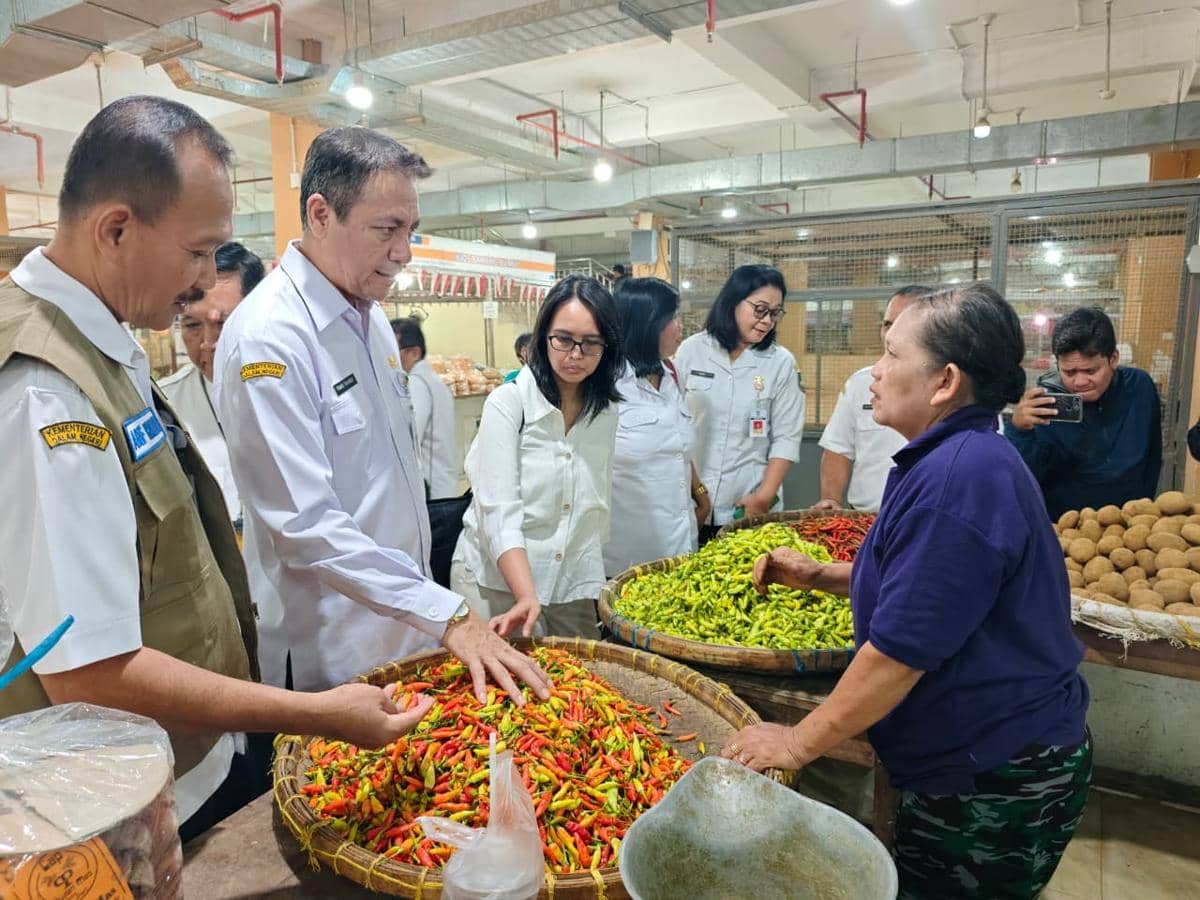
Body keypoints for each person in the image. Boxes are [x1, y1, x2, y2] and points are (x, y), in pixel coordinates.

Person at [0, 96, 443, 842]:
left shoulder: (105, 340)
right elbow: (87, 671)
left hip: (184, 759)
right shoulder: (48, 393)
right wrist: (313, 712)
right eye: (199, 252)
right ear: (115, 229)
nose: (207, 281)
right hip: (114, 797)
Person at [723, 283, 1091, 900]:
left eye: (892, 354)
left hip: (993, 774)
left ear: (945, 382)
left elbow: (899, 654)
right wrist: (818, 575)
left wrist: (795, 741)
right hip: (983, 756)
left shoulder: (957, 481)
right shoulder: (958, 457)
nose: (875, 370)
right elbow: (927, 588)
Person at [212, 127, 550, 702]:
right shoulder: (270, 337)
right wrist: (446, 613)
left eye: (410, 230)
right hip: (331, 655)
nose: (404, 252)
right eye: (387, 229)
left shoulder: (369, 321)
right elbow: (304, 525)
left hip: (405, 631)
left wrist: (430, 611)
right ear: (321, 215)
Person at [452, 275, 622, 637]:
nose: (575, 354)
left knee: (581, 671)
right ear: (543, 336)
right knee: (499, 672)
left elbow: (593, 504)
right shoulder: (509, 403)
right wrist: (527, 594)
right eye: (563, 339)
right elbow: (498, 510)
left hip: (570, 583)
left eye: (591, 343)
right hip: (495, 584)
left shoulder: (605, 412)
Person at [674, 264, 805, 538]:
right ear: (733, 301)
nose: (767, 321)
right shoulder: (692, 351)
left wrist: (763, 496)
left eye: (775, 313)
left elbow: (787, 437)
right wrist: (696, 491)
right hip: (691, 500)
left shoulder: (780, 363)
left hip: (747, 502)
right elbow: (675, 426)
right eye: (760, 309)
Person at [1005, 306, 1161, 520]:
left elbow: (1152, 455)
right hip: (1068, 525)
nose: (1079, 382)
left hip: (1129, 521)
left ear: (1113, 358)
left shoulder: (1139, 388)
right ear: (1057, 363)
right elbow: (1027, 479)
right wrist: (1019, 431)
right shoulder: (1047, 403)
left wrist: (1145, 510)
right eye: (1069, 372)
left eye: (1091, 371)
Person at [603, 277, 709, 575]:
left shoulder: (671, 374)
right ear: (647, 324)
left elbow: (677, 449)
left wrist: (701, 494)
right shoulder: (605, 386)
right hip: (629, 556)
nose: (680, 326)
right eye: (672, 318)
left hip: (681, 544)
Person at [160, 241, 266, 523]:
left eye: (224, 324)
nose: (208, 343)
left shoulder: (296, 386)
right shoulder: (165, 405)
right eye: (192, 325)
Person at [815, 286, 929, 511]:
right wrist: (832, 500)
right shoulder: (861, 383)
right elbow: (837, 449)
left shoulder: (947, 387)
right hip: (864, 520)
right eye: (887, 324)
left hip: (922, 520)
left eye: (901, 324)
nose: (890, 333)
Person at [391, 317, 459, 499]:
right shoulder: (431, 380)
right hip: (442, 483)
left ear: (414, 352)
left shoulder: (417, 383)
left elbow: (410, 437)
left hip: (430, 488)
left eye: (392, 350)